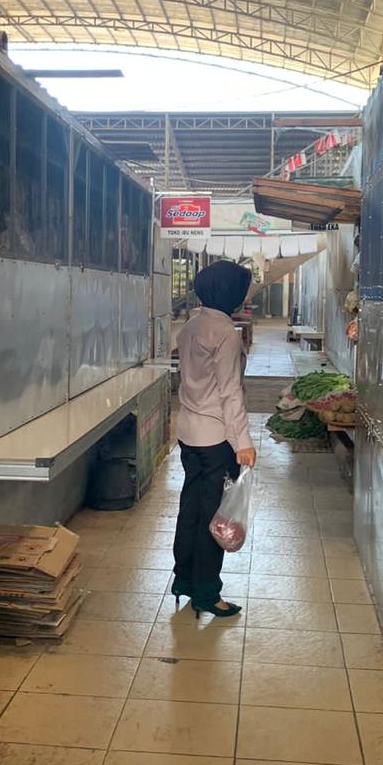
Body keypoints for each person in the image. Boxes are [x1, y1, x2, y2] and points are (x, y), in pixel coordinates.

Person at [172, 260, 256, 618]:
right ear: (230, 293)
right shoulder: (225, 332)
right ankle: (207, 592)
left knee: (190, 509)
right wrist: (243, 442)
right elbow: (230, 392)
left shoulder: (191, 325)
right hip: (215, 439)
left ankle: (184, 579)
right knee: (214, 518)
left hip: (188, 434)